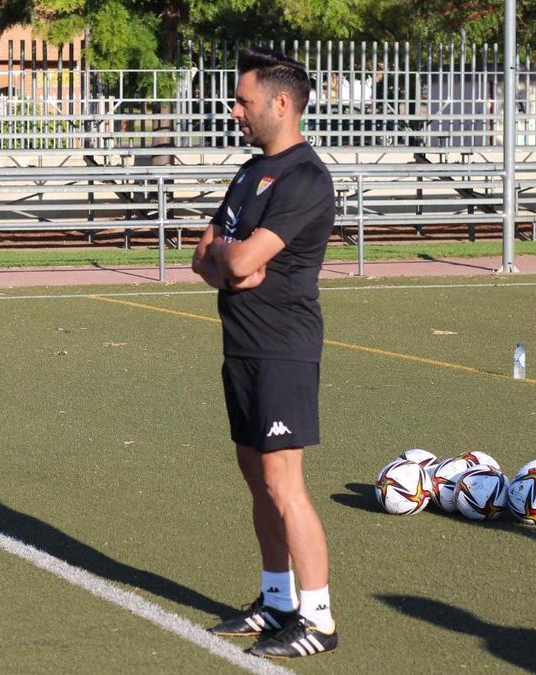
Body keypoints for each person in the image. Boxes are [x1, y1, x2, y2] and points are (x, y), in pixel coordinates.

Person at [190, 47, 338, 659]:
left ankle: (319, 617)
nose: (234, 111)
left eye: (244, 100)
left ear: (282, 103)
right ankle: (275, 599)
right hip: (242, 344)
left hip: (283, 348)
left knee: (284, 484)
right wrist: (231, 262)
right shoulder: (251, 172)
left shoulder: (305, 177)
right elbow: (204, 253)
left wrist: (235, 258)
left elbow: (242, 258)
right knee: (256, 478)